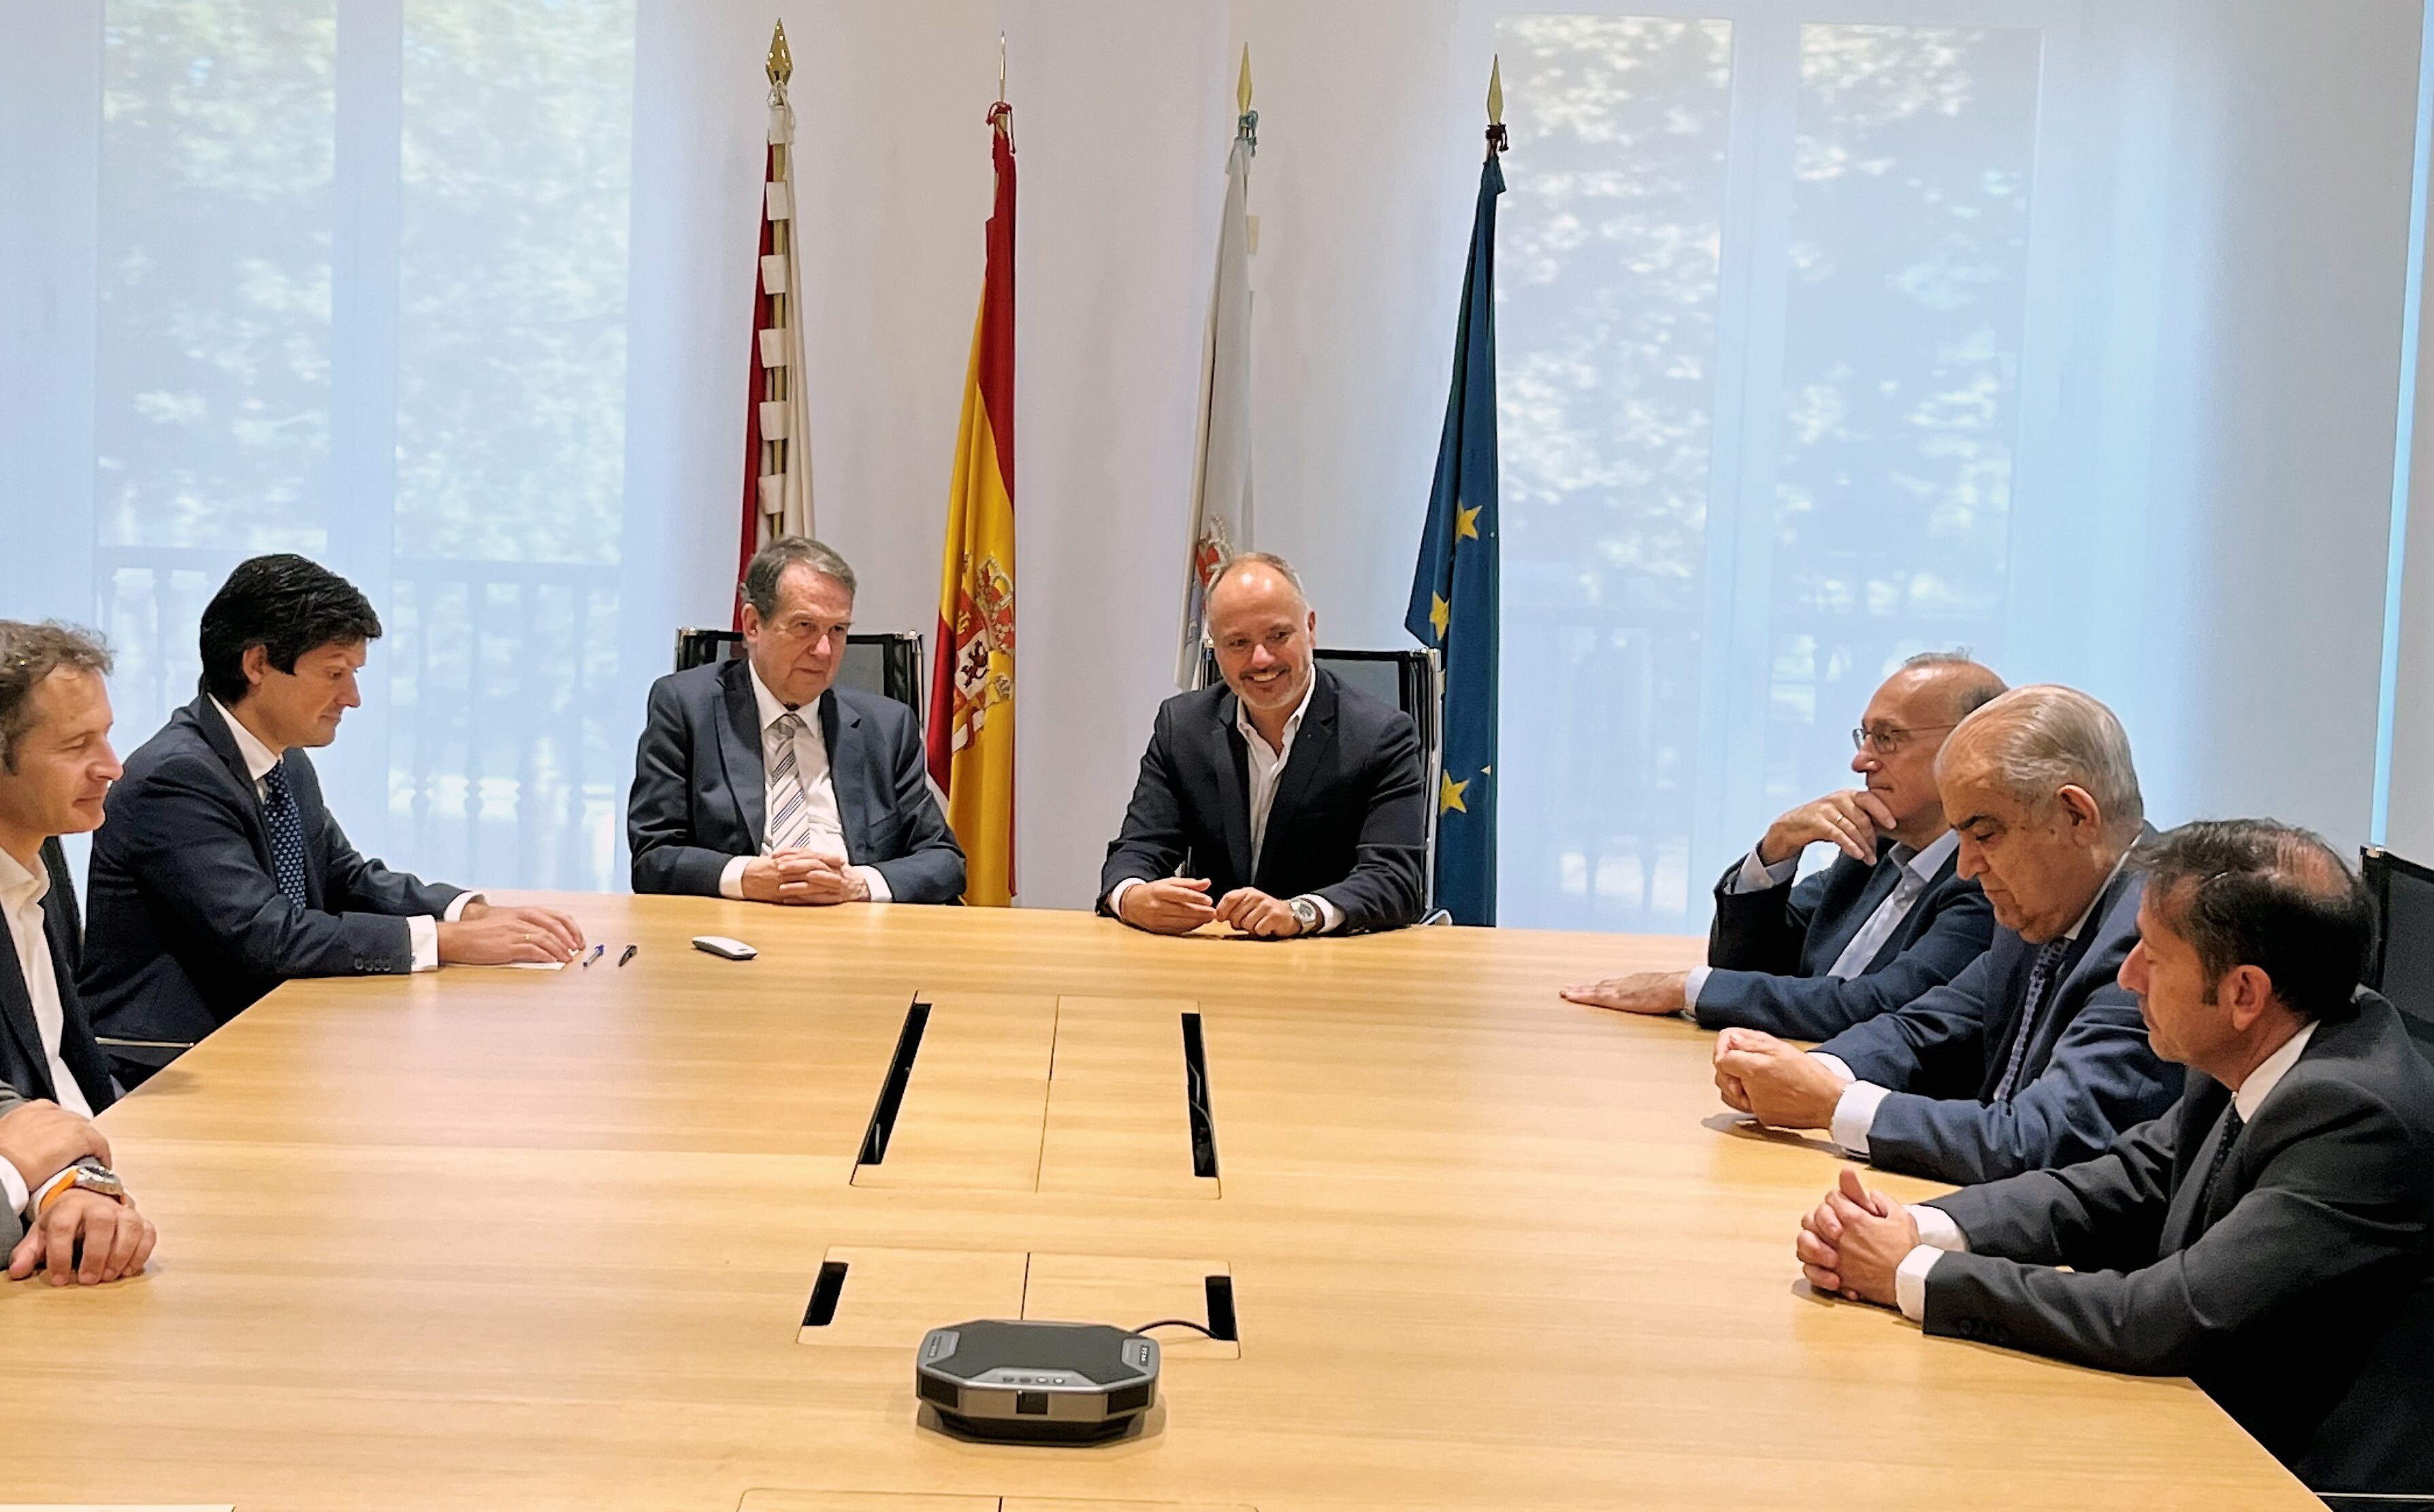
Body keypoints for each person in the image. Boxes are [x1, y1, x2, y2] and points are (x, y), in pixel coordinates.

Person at [1794, 819, 2434, 1497]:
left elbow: (2164, 1314)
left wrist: (1908, 1271)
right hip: (2210, 1423)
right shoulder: (2272, 1030)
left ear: (2244, 992)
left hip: (2297, 1476)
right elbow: (2121, 1183)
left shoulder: (2356, 1116)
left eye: (2153, 958)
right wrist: (1915, 1225)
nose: (2127, 977)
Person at [82, 556, 585, 1087]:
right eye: (334, 673)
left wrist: (465, 912)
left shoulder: (283, 758)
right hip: (171, 1063)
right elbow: (268, 935)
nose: (353, 698)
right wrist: (446, 941)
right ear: (257, 665)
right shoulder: (177, 777)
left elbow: (345, 877)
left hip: (264, 1034)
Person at [1711, 685, 2179, 1183]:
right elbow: (1929, 1027)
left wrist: (1832, 1104)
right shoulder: (2052, 899)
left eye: (1984, 834)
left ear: (2076, 816)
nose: (1966, 867)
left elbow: (2046, 1139)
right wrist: (1813, 1070)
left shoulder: (2155, 938)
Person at [1562, 653, 2004, 1036]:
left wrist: (1686, 987)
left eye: (1888, 738)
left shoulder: (1990, 883)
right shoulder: (1876, 849)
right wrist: (1779, 847)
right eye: (1864, 736)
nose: (1861, 760)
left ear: (1968, 748)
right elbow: (1744, 964)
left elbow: (1880, 1007)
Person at [1100, 553, 1426, 937]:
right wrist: (1132, 897)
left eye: (1277, 636)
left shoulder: (1381, 735)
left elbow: (1395, 879)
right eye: (1238, 642)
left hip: (1329, 963)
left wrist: (1300, 912)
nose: (1261, 659)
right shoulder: (1182, 727)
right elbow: (1136, 851)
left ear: (1310, 628)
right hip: (1217, 956)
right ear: (1216, 650)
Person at [628, 536, 964, 904]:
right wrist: (747, 876)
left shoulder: (886, 726)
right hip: (736, 932)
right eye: (805, 626)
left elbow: (945, 861)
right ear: (753, 625)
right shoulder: (685, 707)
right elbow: (653, 859)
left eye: (838, 630)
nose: (824, 651)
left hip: (857, 933)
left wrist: (858, 885)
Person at [0, 621, 157, 1283]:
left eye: (106, 732)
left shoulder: (43, 853)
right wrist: (28, 1176)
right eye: (76, 744)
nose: (113, 765)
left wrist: (76, 1180)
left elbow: (42, 1097)